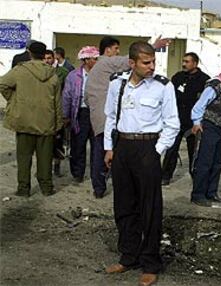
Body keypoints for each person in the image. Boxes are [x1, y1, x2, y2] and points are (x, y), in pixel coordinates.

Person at [103, 41, 179, 286]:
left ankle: (150, 263)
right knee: (124, 206)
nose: (151, 66)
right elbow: (111, 117)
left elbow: (172, 123)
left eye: (153, 62)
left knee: (150, 209)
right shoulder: (118, 84)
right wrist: (109, 148)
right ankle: (129, 256)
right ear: (132, 63)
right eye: (146, 62)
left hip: (148, 147)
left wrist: (156, 151)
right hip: (122, 147)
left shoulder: (162, 87)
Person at [85, 35, 169, 198]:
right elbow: (131, 59)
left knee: (99, 151)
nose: (117, 52)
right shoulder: (107, 62)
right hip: (109, 117)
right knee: (110, 153)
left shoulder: (96, 68)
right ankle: (113, 185)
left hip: (98, 115)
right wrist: (153, 46)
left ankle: (99, 187)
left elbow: (87, 97)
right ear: (108, 49)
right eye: (116, 49)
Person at [0, 41, 63, 196]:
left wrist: (13, 100)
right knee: (45, 159)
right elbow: (57, 103)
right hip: (46, 121)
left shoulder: (19, 71)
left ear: (30, 53)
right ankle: (47, 188)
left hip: (23, 119)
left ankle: (23, 189)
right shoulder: (53, 75)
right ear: (44, 55)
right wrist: (58, 123)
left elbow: (2, 84)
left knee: (23, 158)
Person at [190, 58, 221, 207]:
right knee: (205, 161)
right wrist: (196, 122)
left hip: (220, 127)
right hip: (209, 125)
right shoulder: (216, 85)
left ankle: (211, 193)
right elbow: (200, 105)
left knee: (217, 161)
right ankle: (198, 194)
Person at [161, 52, 210, 186]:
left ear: (195, 63)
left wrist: (199, 121)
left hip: (193, 122)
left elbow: (206, 102)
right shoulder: (178, 77)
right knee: (171, 149)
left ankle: (196, 178)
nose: (184, 64)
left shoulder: (204, 80)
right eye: (183, 61)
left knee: (194, 152)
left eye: (187, 62)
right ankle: (165, 176)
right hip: (177, 120)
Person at [62, 46, 99, 183]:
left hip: (96, 114)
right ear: (86, 60)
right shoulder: (73, 76)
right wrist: (66, 115)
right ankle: (77, 173)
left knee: (97, 146)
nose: (97, 61)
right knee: (78, 145)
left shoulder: (101, 75)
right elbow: (67, 96)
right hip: (80, 113)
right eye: (94, 59)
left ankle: (97, 174)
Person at [44, 49, 69, 177]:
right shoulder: (39, 73)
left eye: (49, 58)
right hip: (43, 112)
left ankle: (57, 167)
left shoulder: (63, 73)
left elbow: (66, 93)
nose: (47, 61)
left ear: (54, 58)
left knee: (58, 142)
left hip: (58, 112)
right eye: (45, 58)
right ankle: (45, 168)